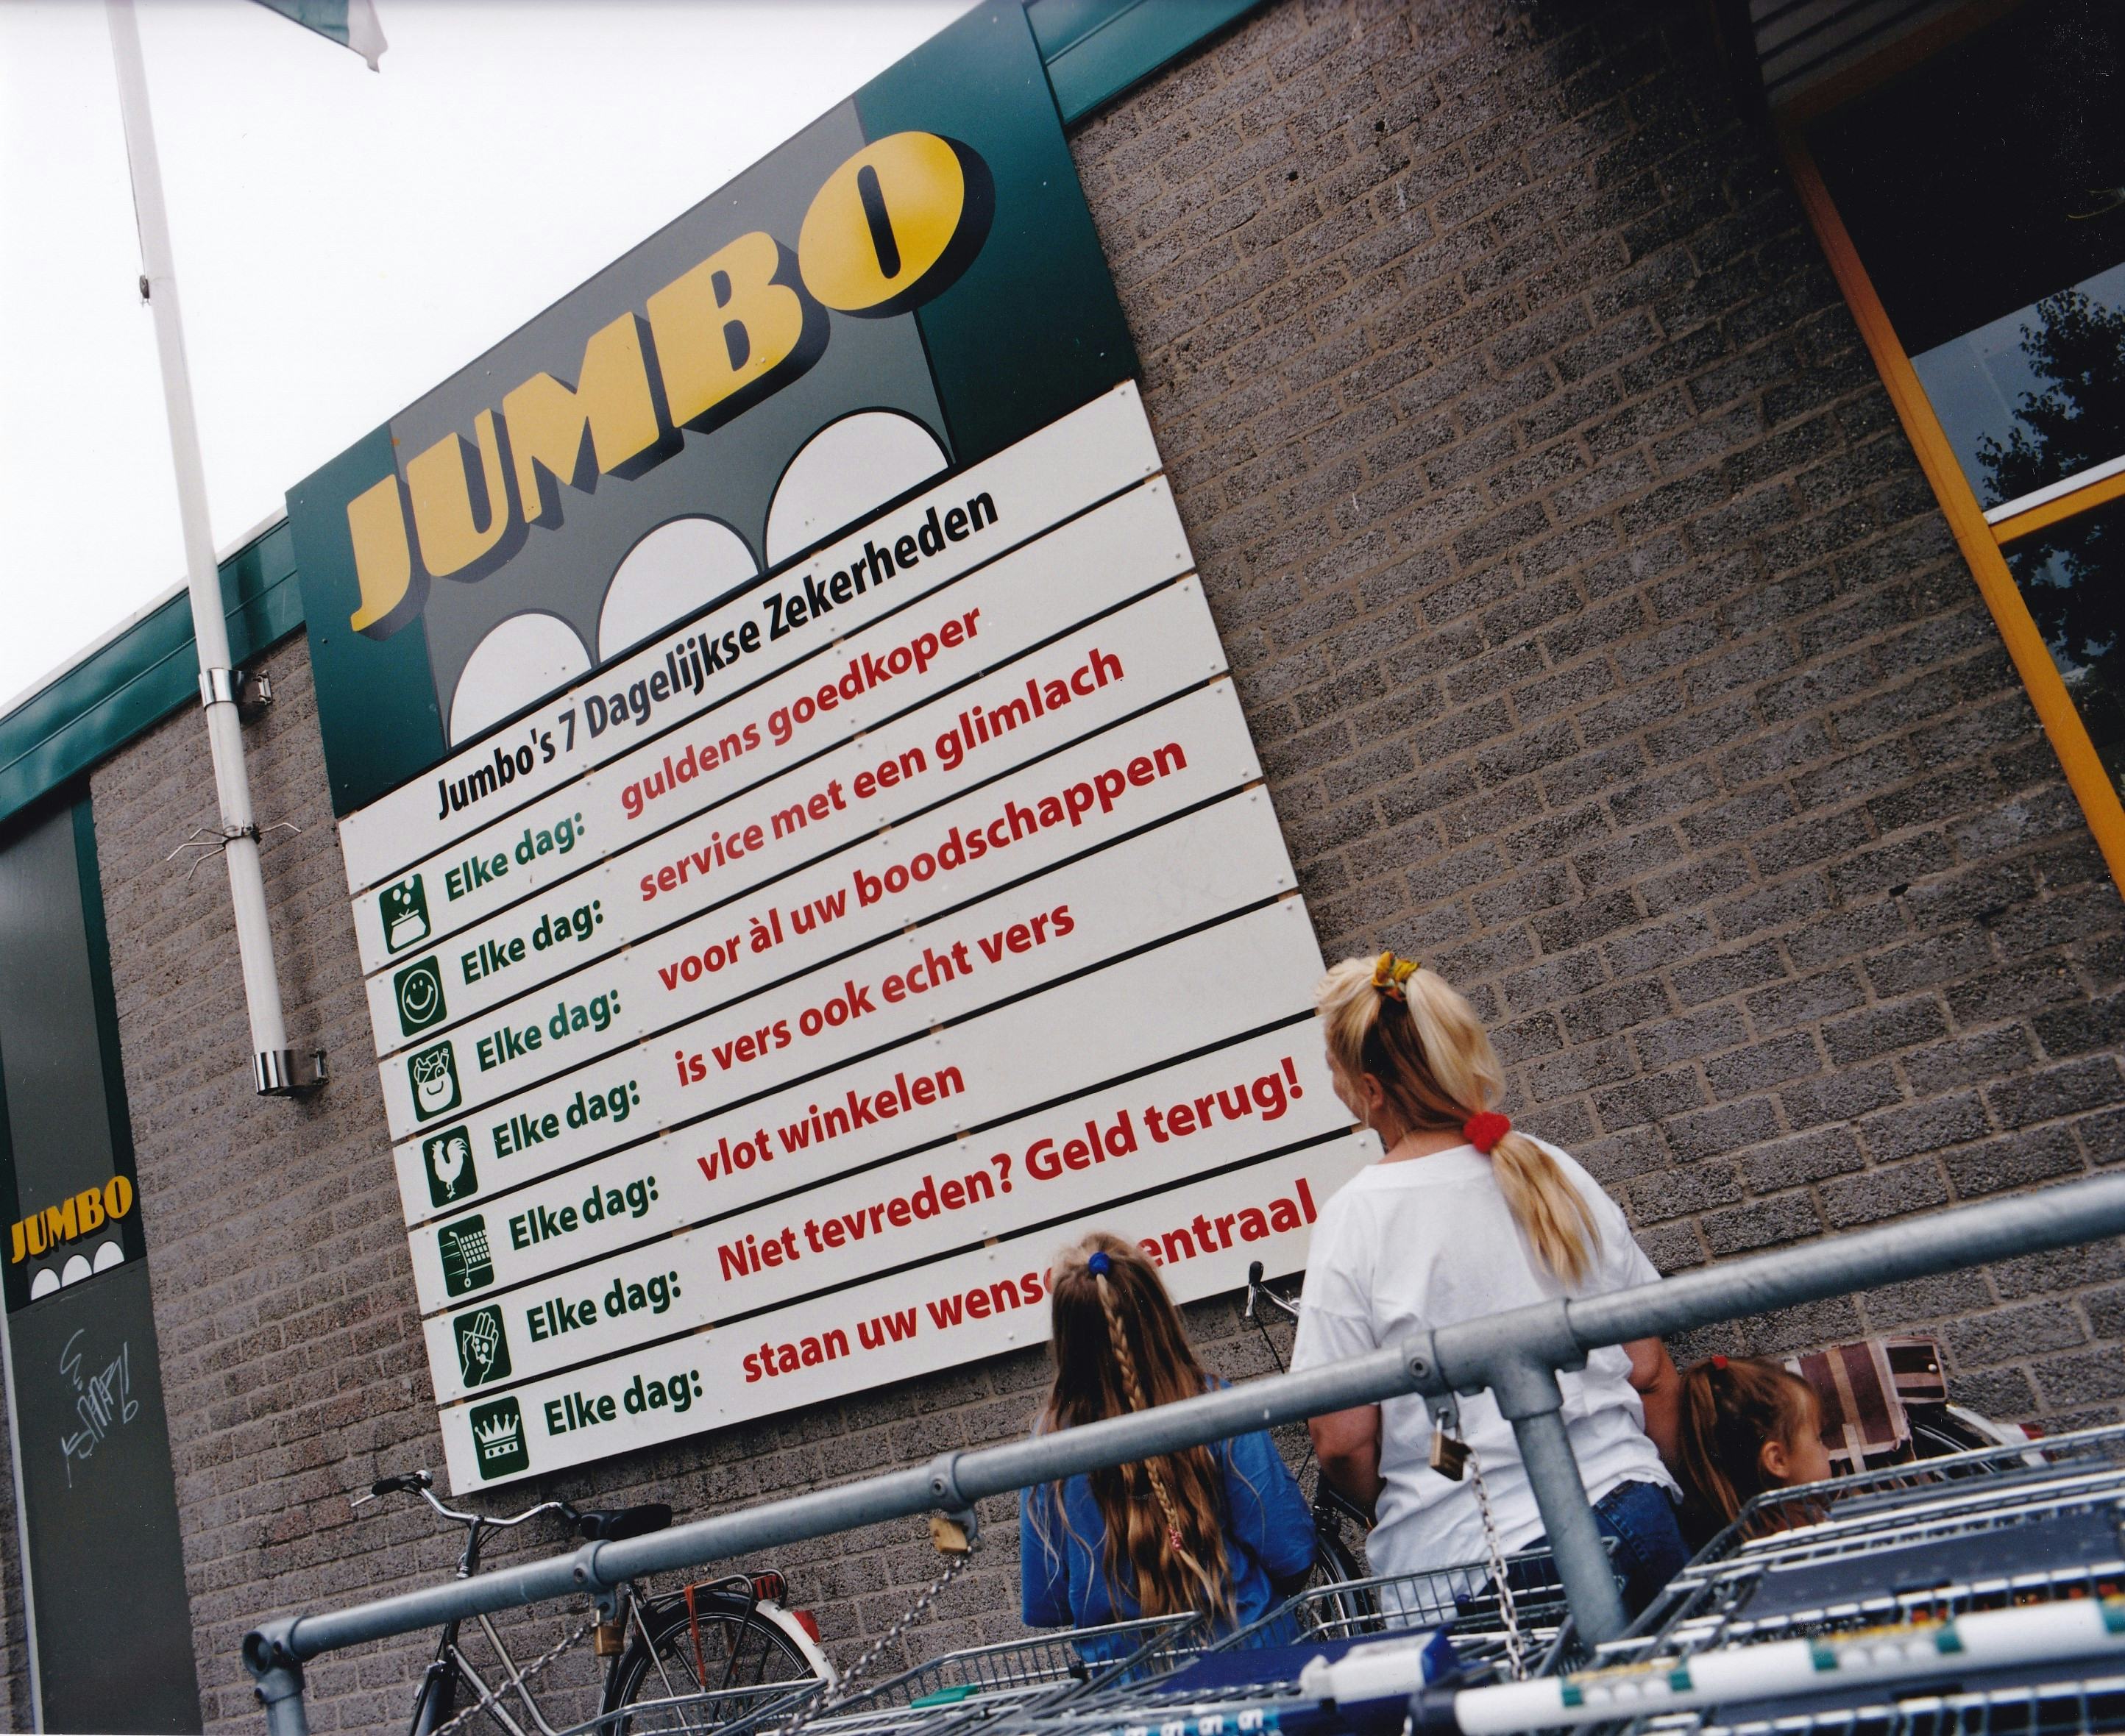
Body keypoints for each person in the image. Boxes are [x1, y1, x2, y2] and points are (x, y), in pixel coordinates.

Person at [1292, 953, 1688, 1617]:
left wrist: (1384, 1504)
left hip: (1479, 1565)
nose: (1330, 1084)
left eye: (1331, 1068)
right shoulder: (1553, 1169)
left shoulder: (1356, 1219)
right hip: (1635, 1513)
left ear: (1371, 1089)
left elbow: (1342, 1442)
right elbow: (1650, 1372)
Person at [1021, 1233, 1316, 1643]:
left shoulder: (1047, 1445)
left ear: (1066, 1340)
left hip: (1132, 1689)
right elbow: (1291, 1551)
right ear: (1159, 1314)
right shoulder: (1216, 1406)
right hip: (1253, 1656)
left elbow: (1048, 1604)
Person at [1672, 1354, 1835, 1548]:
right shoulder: (1793, 1540)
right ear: (1778, 1460)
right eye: (1818, 1438)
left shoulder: (1797, 1517)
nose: (1828, 1451)